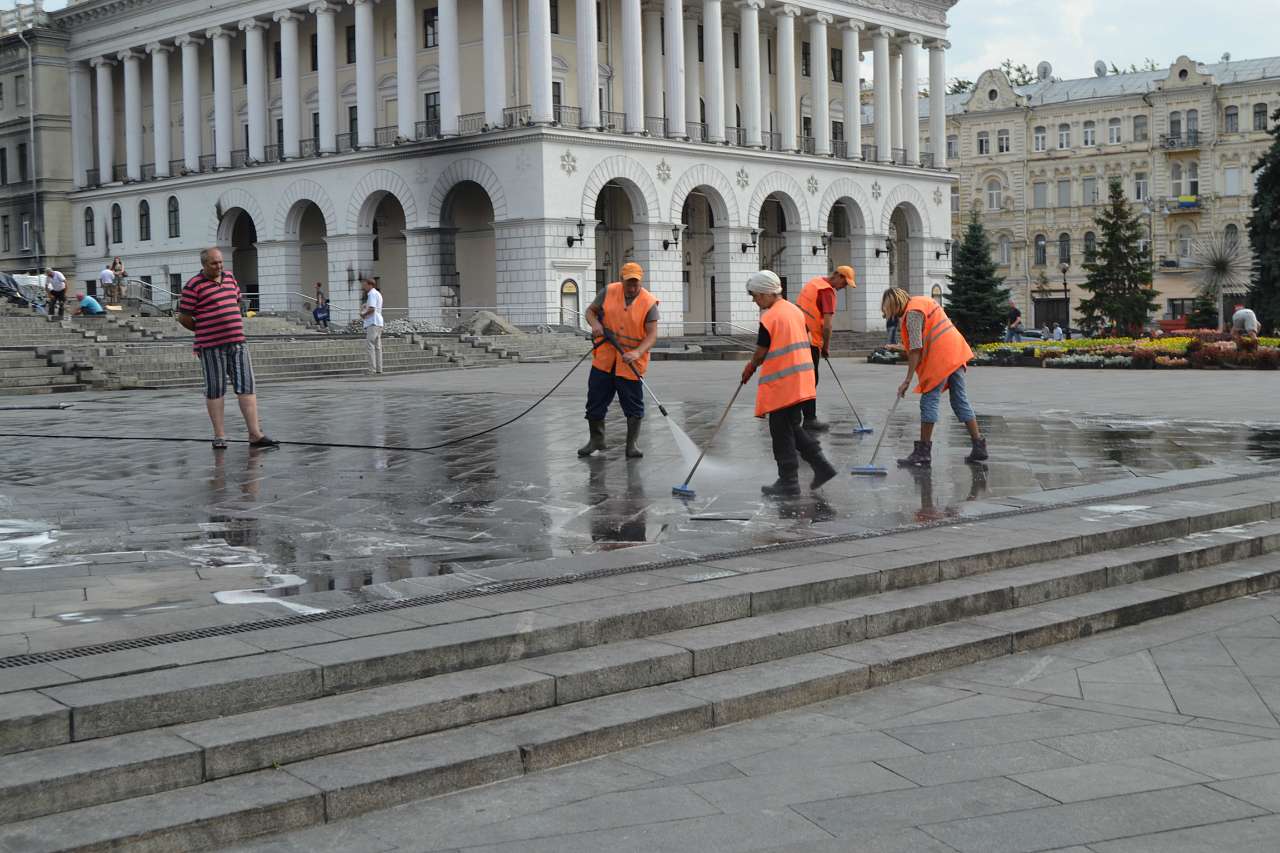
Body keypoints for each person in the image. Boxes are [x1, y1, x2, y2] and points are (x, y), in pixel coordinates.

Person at [740, 270, 837, 496]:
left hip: (784, 383)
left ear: (765, 293)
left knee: (780, 431)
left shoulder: (771, 317)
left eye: (755, 296)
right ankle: (822, 466)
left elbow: (761, 352)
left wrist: (750, 368)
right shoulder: (795, 311)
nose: (755, 301)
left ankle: (788, 481)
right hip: (802, 380)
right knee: (793, 427)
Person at [178, 247, 279, 450]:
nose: (219, 266)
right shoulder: (193, 286)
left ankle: (255, 434)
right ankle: (220, 435)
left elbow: (235, 302)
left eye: (221, 262)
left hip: (237, 342)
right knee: (215, 390)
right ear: (204, 265)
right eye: (214, 263)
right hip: (211, 345)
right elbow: (184, 317)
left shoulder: (230, 278)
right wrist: (204, 330)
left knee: (247, 387)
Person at [882, 286, 988, 468]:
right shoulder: (923, 302)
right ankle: (979, 446)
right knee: (960, 400)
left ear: (894, 304)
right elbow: (927, 337)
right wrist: (898, 347)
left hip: (941, 358)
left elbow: (916, 349)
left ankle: (923, 453)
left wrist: (907, 380)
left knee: (928, 401)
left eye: (888, 309)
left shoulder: (912, 313)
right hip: (956, 352)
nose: (889, 314)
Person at [579, 262, 659, 459]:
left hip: (630, 362)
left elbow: (652, 335)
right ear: (621, 279)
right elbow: (590, 312)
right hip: (604, 359)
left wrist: (637, 352)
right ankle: (596, 440)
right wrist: (595, 323)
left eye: (636, 283)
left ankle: (632, 445)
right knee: (595, 401)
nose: (632, 287)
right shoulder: (608, 291)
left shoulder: (649, 302)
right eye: (628, 283)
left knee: (633, 404)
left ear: (641, 281)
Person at [795, 265, 856, 432]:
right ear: (838, 276)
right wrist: (826, 347)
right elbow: (827, 326)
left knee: (800, 380)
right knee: (811, 380)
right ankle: (809, 419)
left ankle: (796, 416)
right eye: (845, 283)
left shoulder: (813, 283)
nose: (843, 288)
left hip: (796, 336)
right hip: (811, 341)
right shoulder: (827, 291)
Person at [360, 278, 384, 374]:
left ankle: (371, 369)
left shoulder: (372, 294)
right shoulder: (377, 293)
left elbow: (372, 309)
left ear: (370, 285)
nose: (363, 286)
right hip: (379, 322)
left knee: (370, 345)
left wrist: (363, 314)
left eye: (365, 284)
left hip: (373, 322)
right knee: (378, 347)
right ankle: (379, 368)